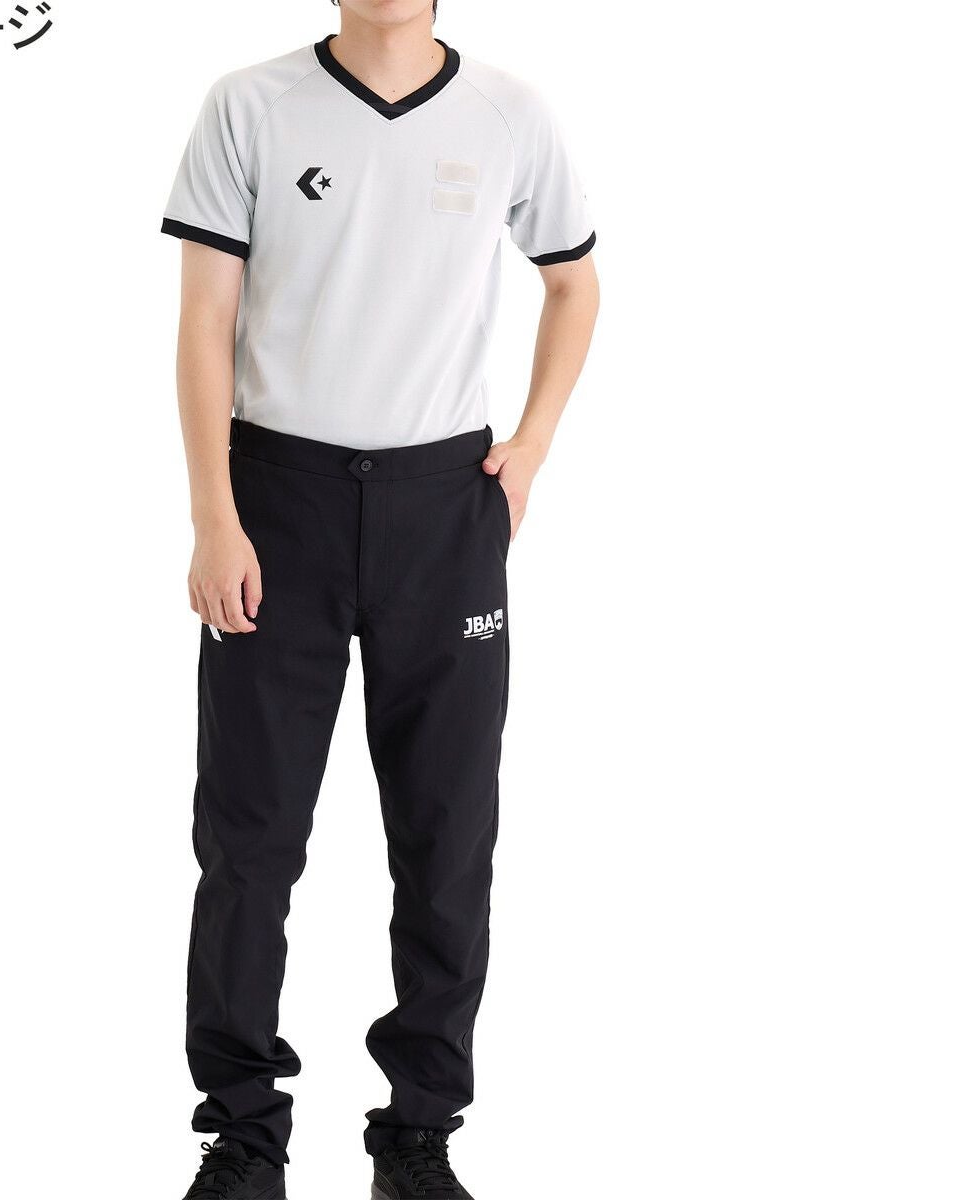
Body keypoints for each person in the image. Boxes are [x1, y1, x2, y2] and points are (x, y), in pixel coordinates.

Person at [162, 1, 599, 1196]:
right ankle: (243, 1136)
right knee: (248, 840)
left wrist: (532, 445)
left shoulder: (510, 112)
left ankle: (417, 1133)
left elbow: (574, 283)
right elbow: (204, 316)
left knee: (448, 835)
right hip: (278, 501)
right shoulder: (250, 104)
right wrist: (214, 514)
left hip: (443, 510)